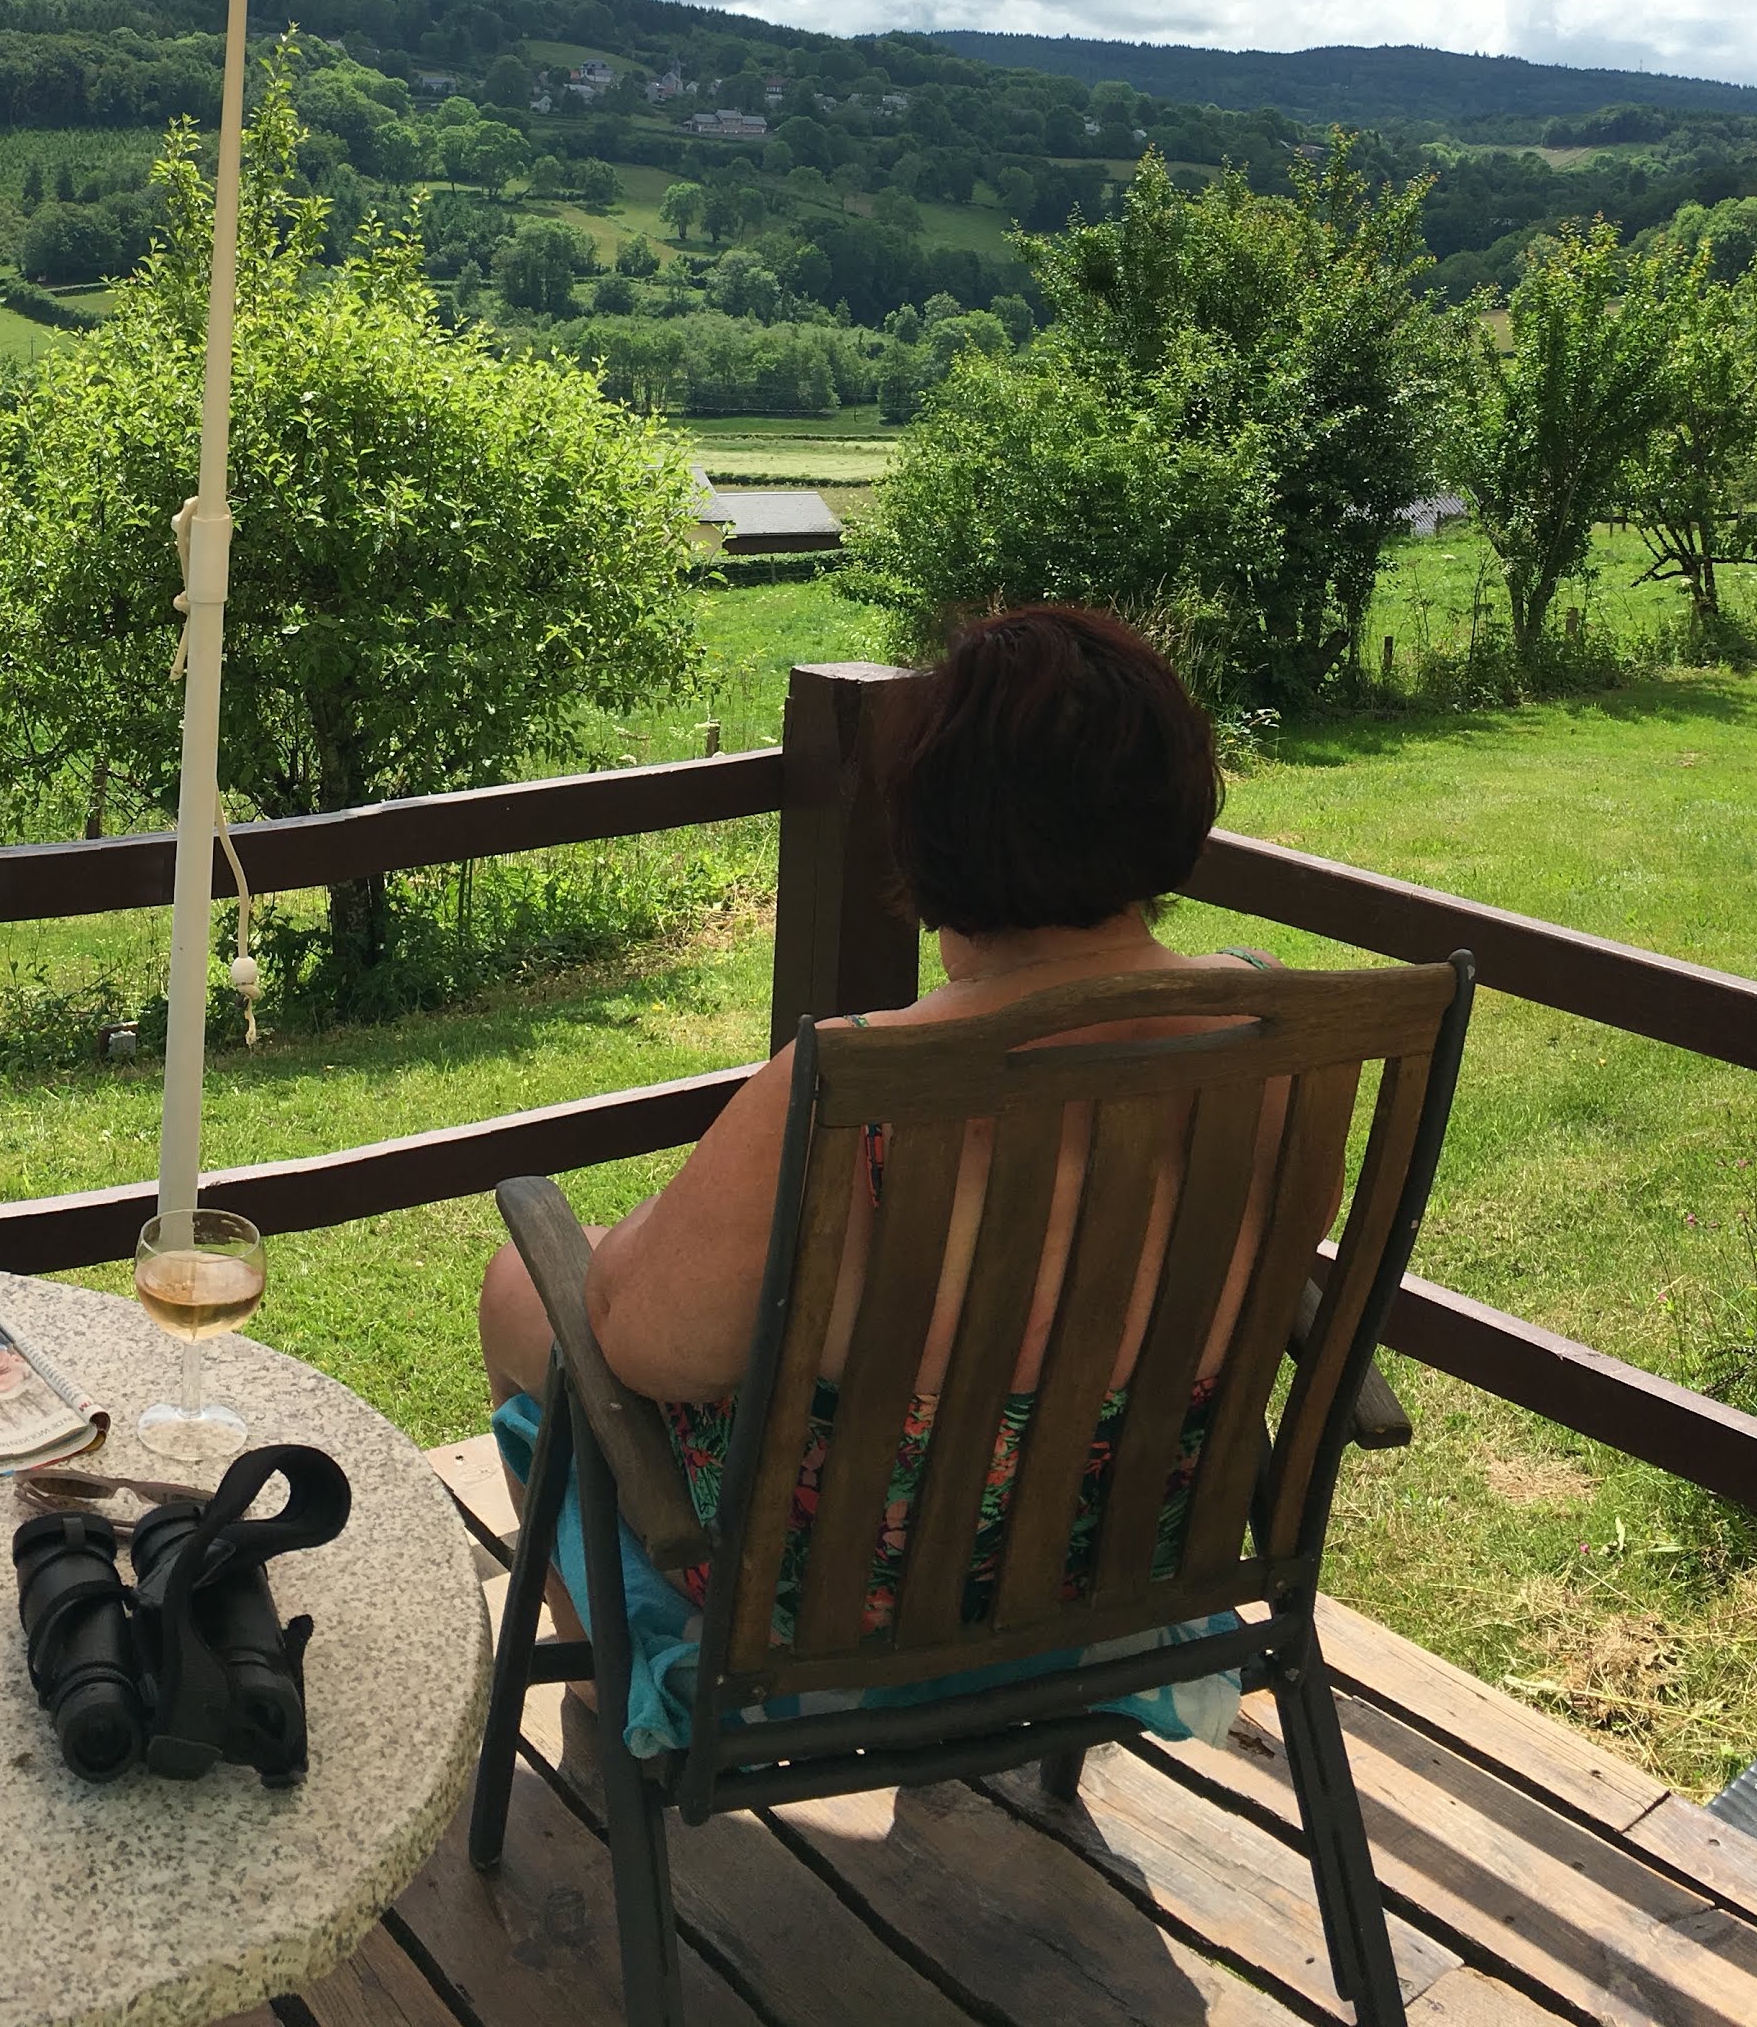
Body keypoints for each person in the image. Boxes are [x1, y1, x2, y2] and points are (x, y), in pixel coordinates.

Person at [476, 604, 1284, 1734]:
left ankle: (609, 1690)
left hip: (836, 1601)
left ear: (929, 825)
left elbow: (651, 1353)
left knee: (522, 1287)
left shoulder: (850, 1085)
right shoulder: (1276, 1036)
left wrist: (632, 1243)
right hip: (1116, 1559)